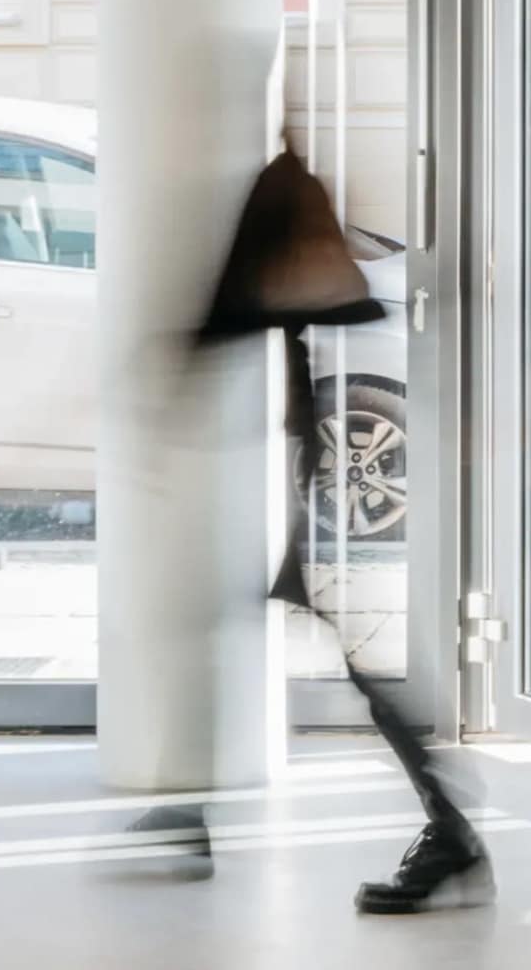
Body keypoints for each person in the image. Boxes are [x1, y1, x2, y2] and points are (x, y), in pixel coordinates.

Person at [194, 127, 489, 915]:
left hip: (299, 478)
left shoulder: (279, 194)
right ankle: (445, 826)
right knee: (291, 644)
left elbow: (272, 311)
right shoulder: (285, 191)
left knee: (332, 657)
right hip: (299, 475)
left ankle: (450, 829)